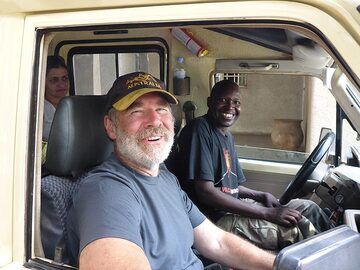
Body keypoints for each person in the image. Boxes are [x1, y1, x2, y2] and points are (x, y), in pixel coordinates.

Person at [67, 72, 275, 270]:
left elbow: (217, 242)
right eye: (136, 111)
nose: (155, 120)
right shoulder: (105, 191)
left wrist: (280, 265)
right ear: (111, 127)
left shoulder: (166, 178)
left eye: (162, 109)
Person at [173, 79, 333, 251]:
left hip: (229, 209)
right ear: (209, 102)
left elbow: (230, 187)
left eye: (236, 102)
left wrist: (261, 195)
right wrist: (268, 213)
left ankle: (343, 251)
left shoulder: (227, 137)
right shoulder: (200, 130)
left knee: (309, 208)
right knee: (295, 231)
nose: (230, 107)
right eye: (223, 100)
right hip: (212, 220)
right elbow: (206, 193)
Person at [43, 55, 69, 141]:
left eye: (64, 79)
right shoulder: (39, 111)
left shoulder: (73, 106)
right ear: (43, 83)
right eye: (54, 80)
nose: (61, 85)